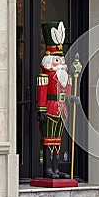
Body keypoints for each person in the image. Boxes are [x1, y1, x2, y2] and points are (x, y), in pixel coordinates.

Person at [37, 21, 71, 179]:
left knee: (58, 141)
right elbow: (42, 93)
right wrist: (41, 109)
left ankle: (57, 168)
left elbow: (68, 92)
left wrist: (72, 99)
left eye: (62, 60)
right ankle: (48, 168)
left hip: (62, 108)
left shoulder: (65, 77)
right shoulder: (45, 76)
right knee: (48, 139)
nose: (62, 63)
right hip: (50, 108)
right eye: (58, 60)